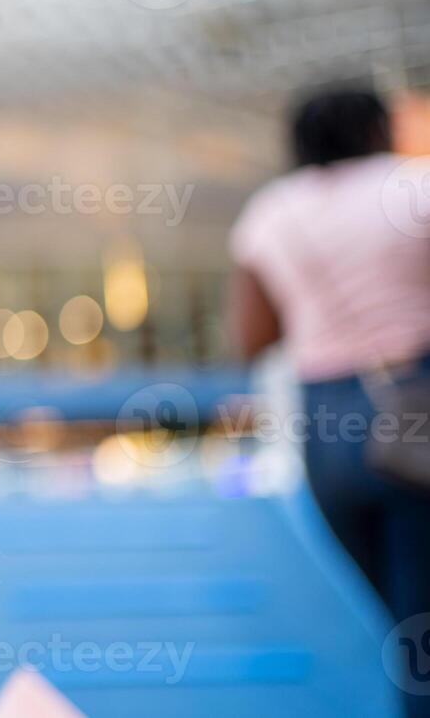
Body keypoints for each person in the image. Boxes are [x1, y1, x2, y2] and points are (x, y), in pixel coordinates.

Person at [228, 85, 430, 713]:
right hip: (418, 405)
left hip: (329, 427)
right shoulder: (413, 186)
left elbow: (252, 337)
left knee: (404, 624)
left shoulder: (270, 211)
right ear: (378, 129)